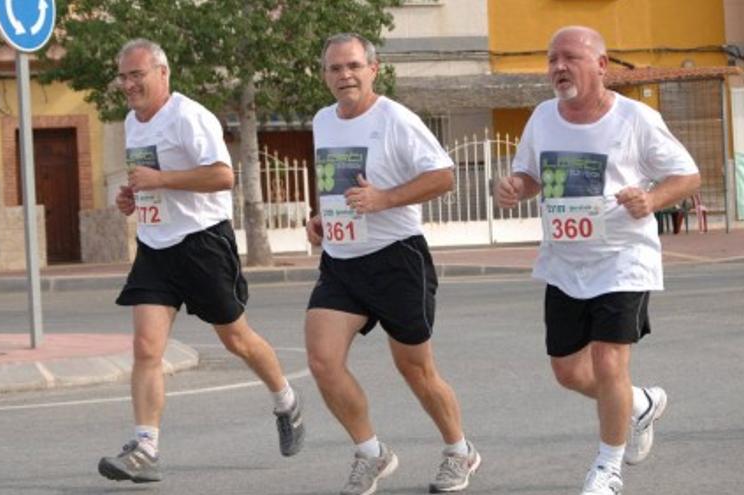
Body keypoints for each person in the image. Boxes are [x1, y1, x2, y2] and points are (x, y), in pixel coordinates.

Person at [494, 26, 701, 495]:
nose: (559, 67)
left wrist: (651, 198)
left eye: (570, 57)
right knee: (568, 371)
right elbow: (528, 175)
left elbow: (687, 175)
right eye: (552, 59)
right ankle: (639, 403)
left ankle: (607, 468)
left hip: (622, 258)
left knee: (609, 363)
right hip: (565, 262)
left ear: (602, 66)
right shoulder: (544, 117)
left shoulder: (635, 119)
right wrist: (514, 187)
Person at [97, 38, 304, 484]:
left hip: (203, 243)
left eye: (138, 75)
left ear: (162, 73)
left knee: (236, 338)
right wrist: (133, 196)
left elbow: (222, 175)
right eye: (125, 76)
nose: (130, 84)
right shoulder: (133, 122)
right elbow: (151, 181)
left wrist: (162, 179)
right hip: (155, 247)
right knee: (146, 347)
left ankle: (286, 400)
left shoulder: (189, 116)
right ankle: (146, 447)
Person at [305, 33, 481, 495]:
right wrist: (323, 217)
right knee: (323, 362)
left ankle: (459, 450)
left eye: (353, 66)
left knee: (415, 369)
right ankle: (370, 454)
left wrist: (385, 199)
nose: (345, 75)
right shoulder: (323, 121)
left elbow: (443, 176)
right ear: (325, 75)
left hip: (397, 259)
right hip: (342, 261)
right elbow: (340, 183)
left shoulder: (395, 119)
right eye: (335, 68)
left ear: (373, 69)